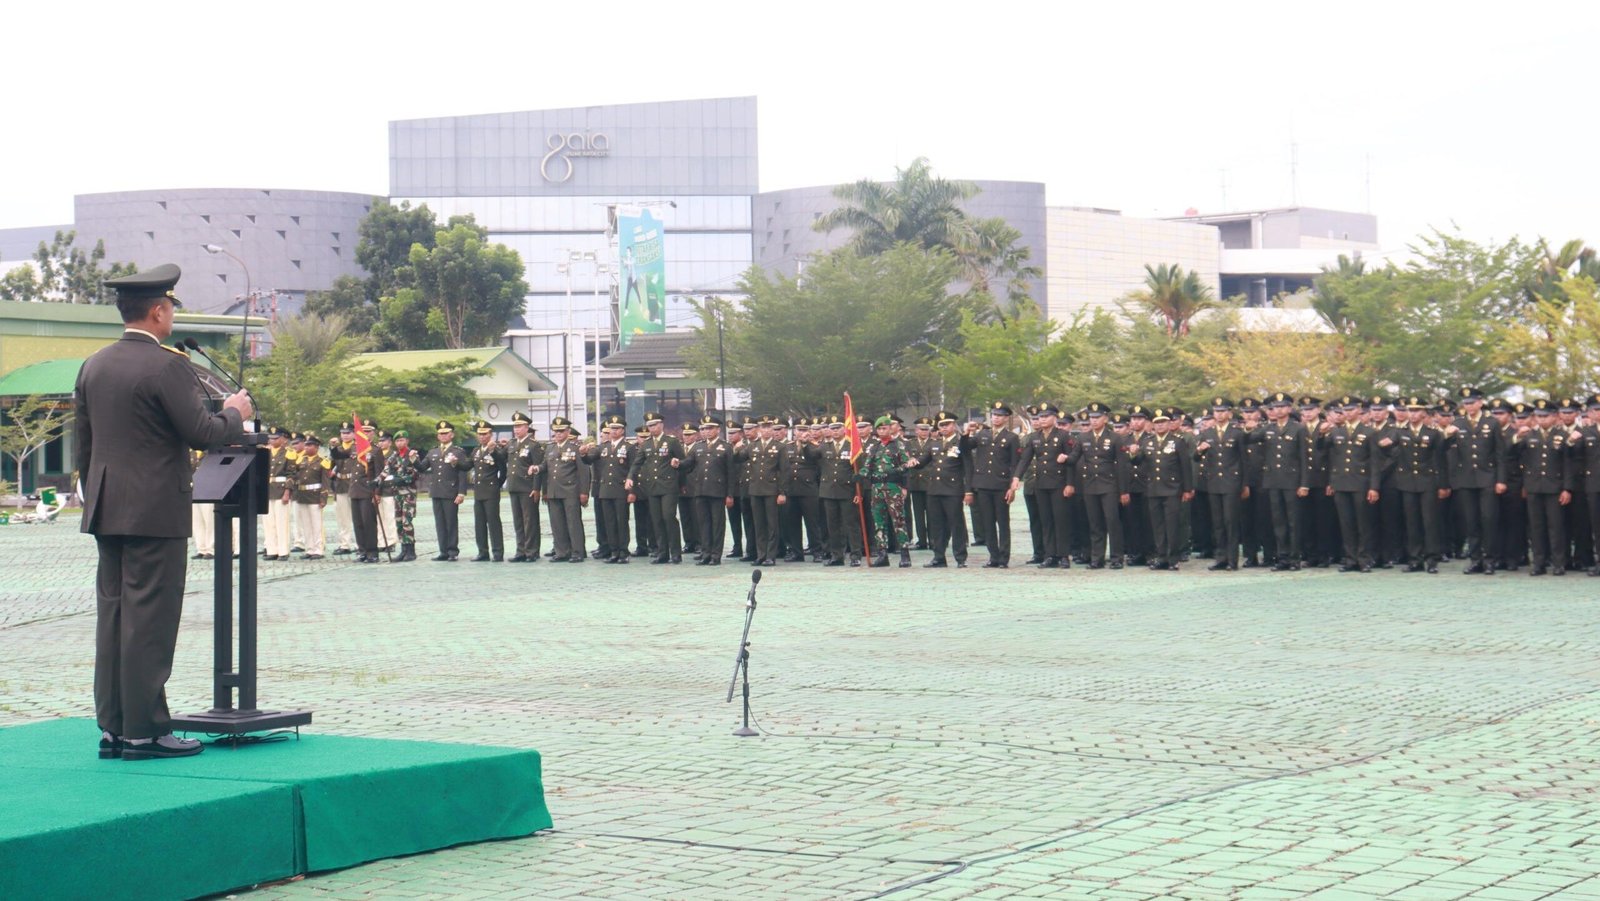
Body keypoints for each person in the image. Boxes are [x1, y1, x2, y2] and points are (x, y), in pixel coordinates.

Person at [75, 263, 252, 760]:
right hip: (154, 510)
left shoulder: (94, 364)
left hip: (107, 510)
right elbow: (203, 432)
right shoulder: (167, 366)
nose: (172, 314)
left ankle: (113, 729)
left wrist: (97, 499)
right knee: (149, 623)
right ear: (158, 311)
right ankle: (147, 732)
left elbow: (84, 449)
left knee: (113, 619)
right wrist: (235, 411)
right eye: (171, 306)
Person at [629, 411, 686, 564]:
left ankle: (675, 552)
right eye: (649, 426)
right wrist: (630, 477)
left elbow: (684, 462)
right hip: (652, 487)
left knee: (668, 517)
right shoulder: (646, 444)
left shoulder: (671, 441)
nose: (652, 428)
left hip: (668, 486)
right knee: (657, 520)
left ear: (661, 425)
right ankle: (662, 553)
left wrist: (681, 482)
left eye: (654, 425)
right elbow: (637, 463)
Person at [682, 414, 735, 564]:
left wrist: (729, 494)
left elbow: (730, 473)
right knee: (703, 524)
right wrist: (678, 464)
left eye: (710, 428)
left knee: (717, 524)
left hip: (717, 492)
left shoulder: (725, 447)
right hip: (700, 490)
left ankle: (716, 555)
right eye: (704, 429)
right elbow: (689, 463)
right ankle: (706, 553)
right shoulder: (698, 446)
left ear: (718, 429)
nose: (707, 431)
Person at [581, 415, 633, 564]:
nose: (613, 431)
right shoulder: (602, 447)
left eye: (617, 429)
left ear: (622, 430)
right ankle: (614, 551)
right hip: (605, 490)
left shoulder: (628, 447)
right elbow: (589, 460)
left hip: (621, 489)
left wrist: (632, 491)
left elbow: (633, 469)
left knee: (621, 522)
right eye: (611, 428)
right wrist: (583, 453)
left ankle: (623, 552)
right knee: (609, 522)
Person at [416, 420, 471, 561]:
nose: (443, 436)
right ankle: (443, 551)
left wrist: (461, 492)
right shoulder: (433, 451)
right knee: (440, 523)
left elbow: (462, 472)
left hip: (451, 491)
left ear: (452, 435)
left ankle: (452, 551)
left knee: (451, 522)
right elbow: (422, 467)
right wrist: (413, 460)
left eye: (446, 433)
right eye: (441, 434)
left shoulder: (457, 451)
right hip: (436, 491)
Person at [543, 417, 590, 561]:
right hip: (554, 491)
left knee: (573, 523)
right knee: (557, 524)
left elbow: (584, 472)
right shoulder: (550, 448)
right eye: (556, 431)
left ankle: (577, 552)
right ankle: (562, 552)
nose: (558, 433)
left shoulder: (575, 448)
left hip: (570, 491)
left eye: (561, 431)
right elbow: (545, 468)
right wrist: (544, 488)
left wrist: (584, 492)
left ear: (568, 431)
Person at [504, 412, 544, 562]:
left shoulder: (533, 445)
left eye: (519, 426)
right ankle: (520, 551)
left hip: (528, 487)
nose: (516, 429)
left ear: (527, 427)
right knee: (518, 521)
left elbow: (538, 468)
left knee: (530, 521)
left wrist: (536, 488)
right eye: (515, 426)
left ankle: (531, 551)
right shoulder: (512, 444)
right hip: (514, 486)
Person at [468, 420, 507, 561]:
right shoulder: (476, 450)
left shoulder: (495, 450)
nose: (482, 437)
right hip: (478, 491)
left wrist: (498, 485)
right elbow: (468, 464)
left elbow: (503, 468)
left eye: (485, 434)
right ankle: (482, 551)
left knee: (493, 522)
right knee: (479, 523)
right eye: (480, 434)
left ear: (490, 434)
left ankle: (497, 552)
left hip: (491, 491)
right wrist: (456, 463)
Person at [290, 432, 331, 559]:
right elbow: (295, 475)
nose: (306, 448)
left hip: (315, 496)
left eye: (310, 446)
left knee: (316, 524)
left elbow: (325, 482)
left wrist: (323, 498)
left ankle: (318, 549)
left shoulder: (323, 462)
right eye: (306, 445)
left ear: (316, 447)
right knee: (306, 524)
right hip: (303, 495)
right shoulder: (301, 460)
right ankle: (310, 549)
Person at [386, 430, 421, 562]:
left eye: (402, 440)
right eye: (397, 441)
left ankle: (411, 551)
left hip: (408, 494)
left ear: (407, 441)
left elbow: (417, 473)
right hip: (397, 494)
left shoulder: (412, 455)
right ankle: (403, 550)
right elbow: (386, 471)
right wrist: (377, 481)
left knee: (407, 522)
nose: (400, 443)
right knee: (399, 522)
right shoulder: (394, 456)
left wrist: (404, 479)